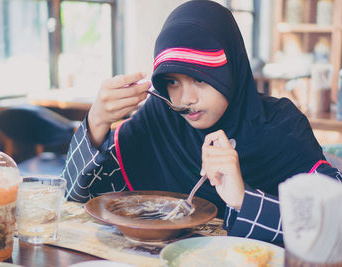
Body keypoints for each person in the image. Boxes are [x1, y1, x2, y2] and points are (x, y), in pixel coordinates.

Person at [62, 0, 341, 243]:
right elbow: (78, 199)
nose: (185, 98)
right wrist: (96, 121)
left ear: (232, 68)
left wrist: (243, 199)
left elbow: (335, 222)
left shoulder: (282, 124)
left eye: (199, 78)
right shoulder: (161, 119)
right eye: (172, 81)